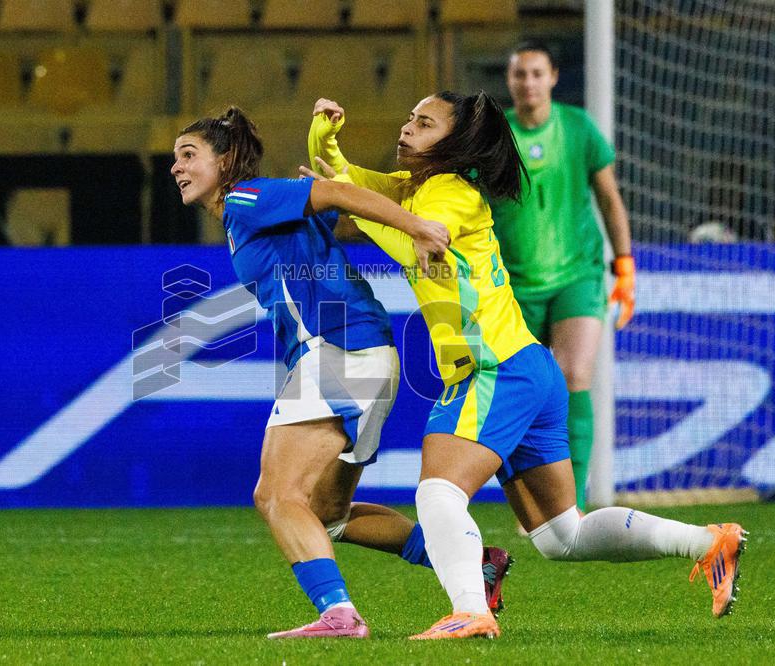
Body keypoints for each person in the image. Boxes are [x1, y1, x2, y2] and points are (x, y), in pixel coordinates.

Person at [305, 91, 746, 640]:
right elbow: (349, 183)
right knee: (564, 537)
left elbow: (419, 236)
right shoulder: (415, 188)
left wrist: (356, 206)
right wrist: (325, 137)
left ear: (455, 144)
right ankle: (708, 543)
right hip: (527, 366)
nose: (406, 128)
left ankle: (469, 607)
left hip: (493, 370)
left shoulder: (448, 193)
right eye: (408, 117)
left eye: (424, 123)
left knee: (437, 492)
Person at [171, 107, 511, 640]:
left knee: (276, 495)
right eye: (175, 158)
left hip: (337, 352)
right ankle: (475, 563)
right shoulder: (256, 211)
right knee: (327, 513)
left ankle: (339, 615)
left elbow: (333, 195)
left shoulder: (245, 198)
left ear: (226, 161)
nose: (176, 167)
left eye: (189, 155)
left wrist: (417, 225)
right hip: (366, 358)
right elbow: (328, 202)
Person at [489, 41, 634, 510]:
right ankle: (531, 502)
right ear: (510, 82)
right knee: (520, 389)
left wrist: (624, 266)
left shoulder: (578, 128)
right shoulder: (495, 137)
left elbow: (609, 198)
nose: (528, 83)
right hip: (513, 284)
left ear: (552, 77)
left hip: (578, 274)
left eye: (536, 73)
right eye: (519, 75)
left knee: (574, 374)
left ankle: (572, 502)